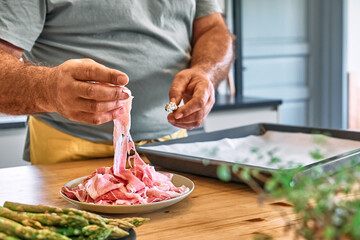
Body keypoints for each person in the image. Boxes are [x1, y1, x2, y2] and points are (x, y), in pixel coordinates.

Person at [0, 0, 233, 164]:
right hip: (69, 147)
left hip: (173, 147)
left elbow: (213, 29)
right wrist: (49, 89)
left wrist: (206, 71)